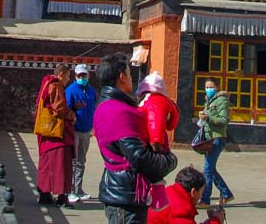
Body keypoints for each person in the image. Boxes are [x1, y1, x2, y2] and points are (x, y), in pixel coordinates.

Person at [93, 52, 178, 224]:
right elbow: (139, 159)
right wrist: (170, 161)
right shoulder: (118, 111)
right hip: (125, 195)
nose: (132, 79)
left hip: (122, 190)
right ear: (122, 77)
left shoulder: (110, 105)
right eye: (129, 74)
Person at [35, 64, 76, 208]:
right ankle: (62, 197)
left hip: (47, 131)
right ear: (61, 74)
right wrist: (72, 115)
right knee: (61, 164)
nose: (68, 80)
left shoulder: (46, 84)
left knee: (46, 163)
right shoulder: (56, 85)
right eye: (68, 76)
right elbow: (59, 108)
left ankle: (44, 194)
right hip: (57, 132)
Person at [138, 71, 180, 210]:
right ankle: (157, 201)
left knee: (151, 175)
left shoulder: (145, 101)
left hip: (146, 143)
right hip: (155, 144)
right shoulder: (160, 101)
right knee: (156, 176)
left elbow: (155, 125)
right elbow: (165, 126)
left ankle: (153, 199)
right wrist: (157, 148)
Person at [197, 78, 233, 209]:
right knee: (211, 169)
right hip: (209, 139)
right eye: (206, 87)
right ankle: (226, 194)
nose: (208, 89)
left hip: (217, 138)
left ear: (217, 87)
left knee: (207, 169)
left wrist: (208, 118)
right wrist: (202, 119)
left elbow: (224, 119)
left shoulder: (221, 100)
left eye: (211, 87)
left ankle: (205, 200)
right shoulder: (208, 101)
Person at [148, 166, 225, 224]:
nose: (201, 196)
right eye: (201, 192)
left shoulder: (168, 191)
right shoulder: (181, 209)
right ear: (193, 192)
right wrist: (216, 220)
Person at [66, 63, 97, 204]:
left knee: (81, 161)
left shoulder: (92, 92)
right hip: (74, 130)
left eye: (84, 75)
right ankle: (70, 190)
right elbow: (67, 109)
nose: (82, 78)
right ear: (75, 76)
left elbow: (94, 108)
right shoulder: (70, 91)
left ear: (88, 75)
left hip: (86, 130)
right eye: (80, 75)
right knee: (73, 161)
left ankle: (78, 189)